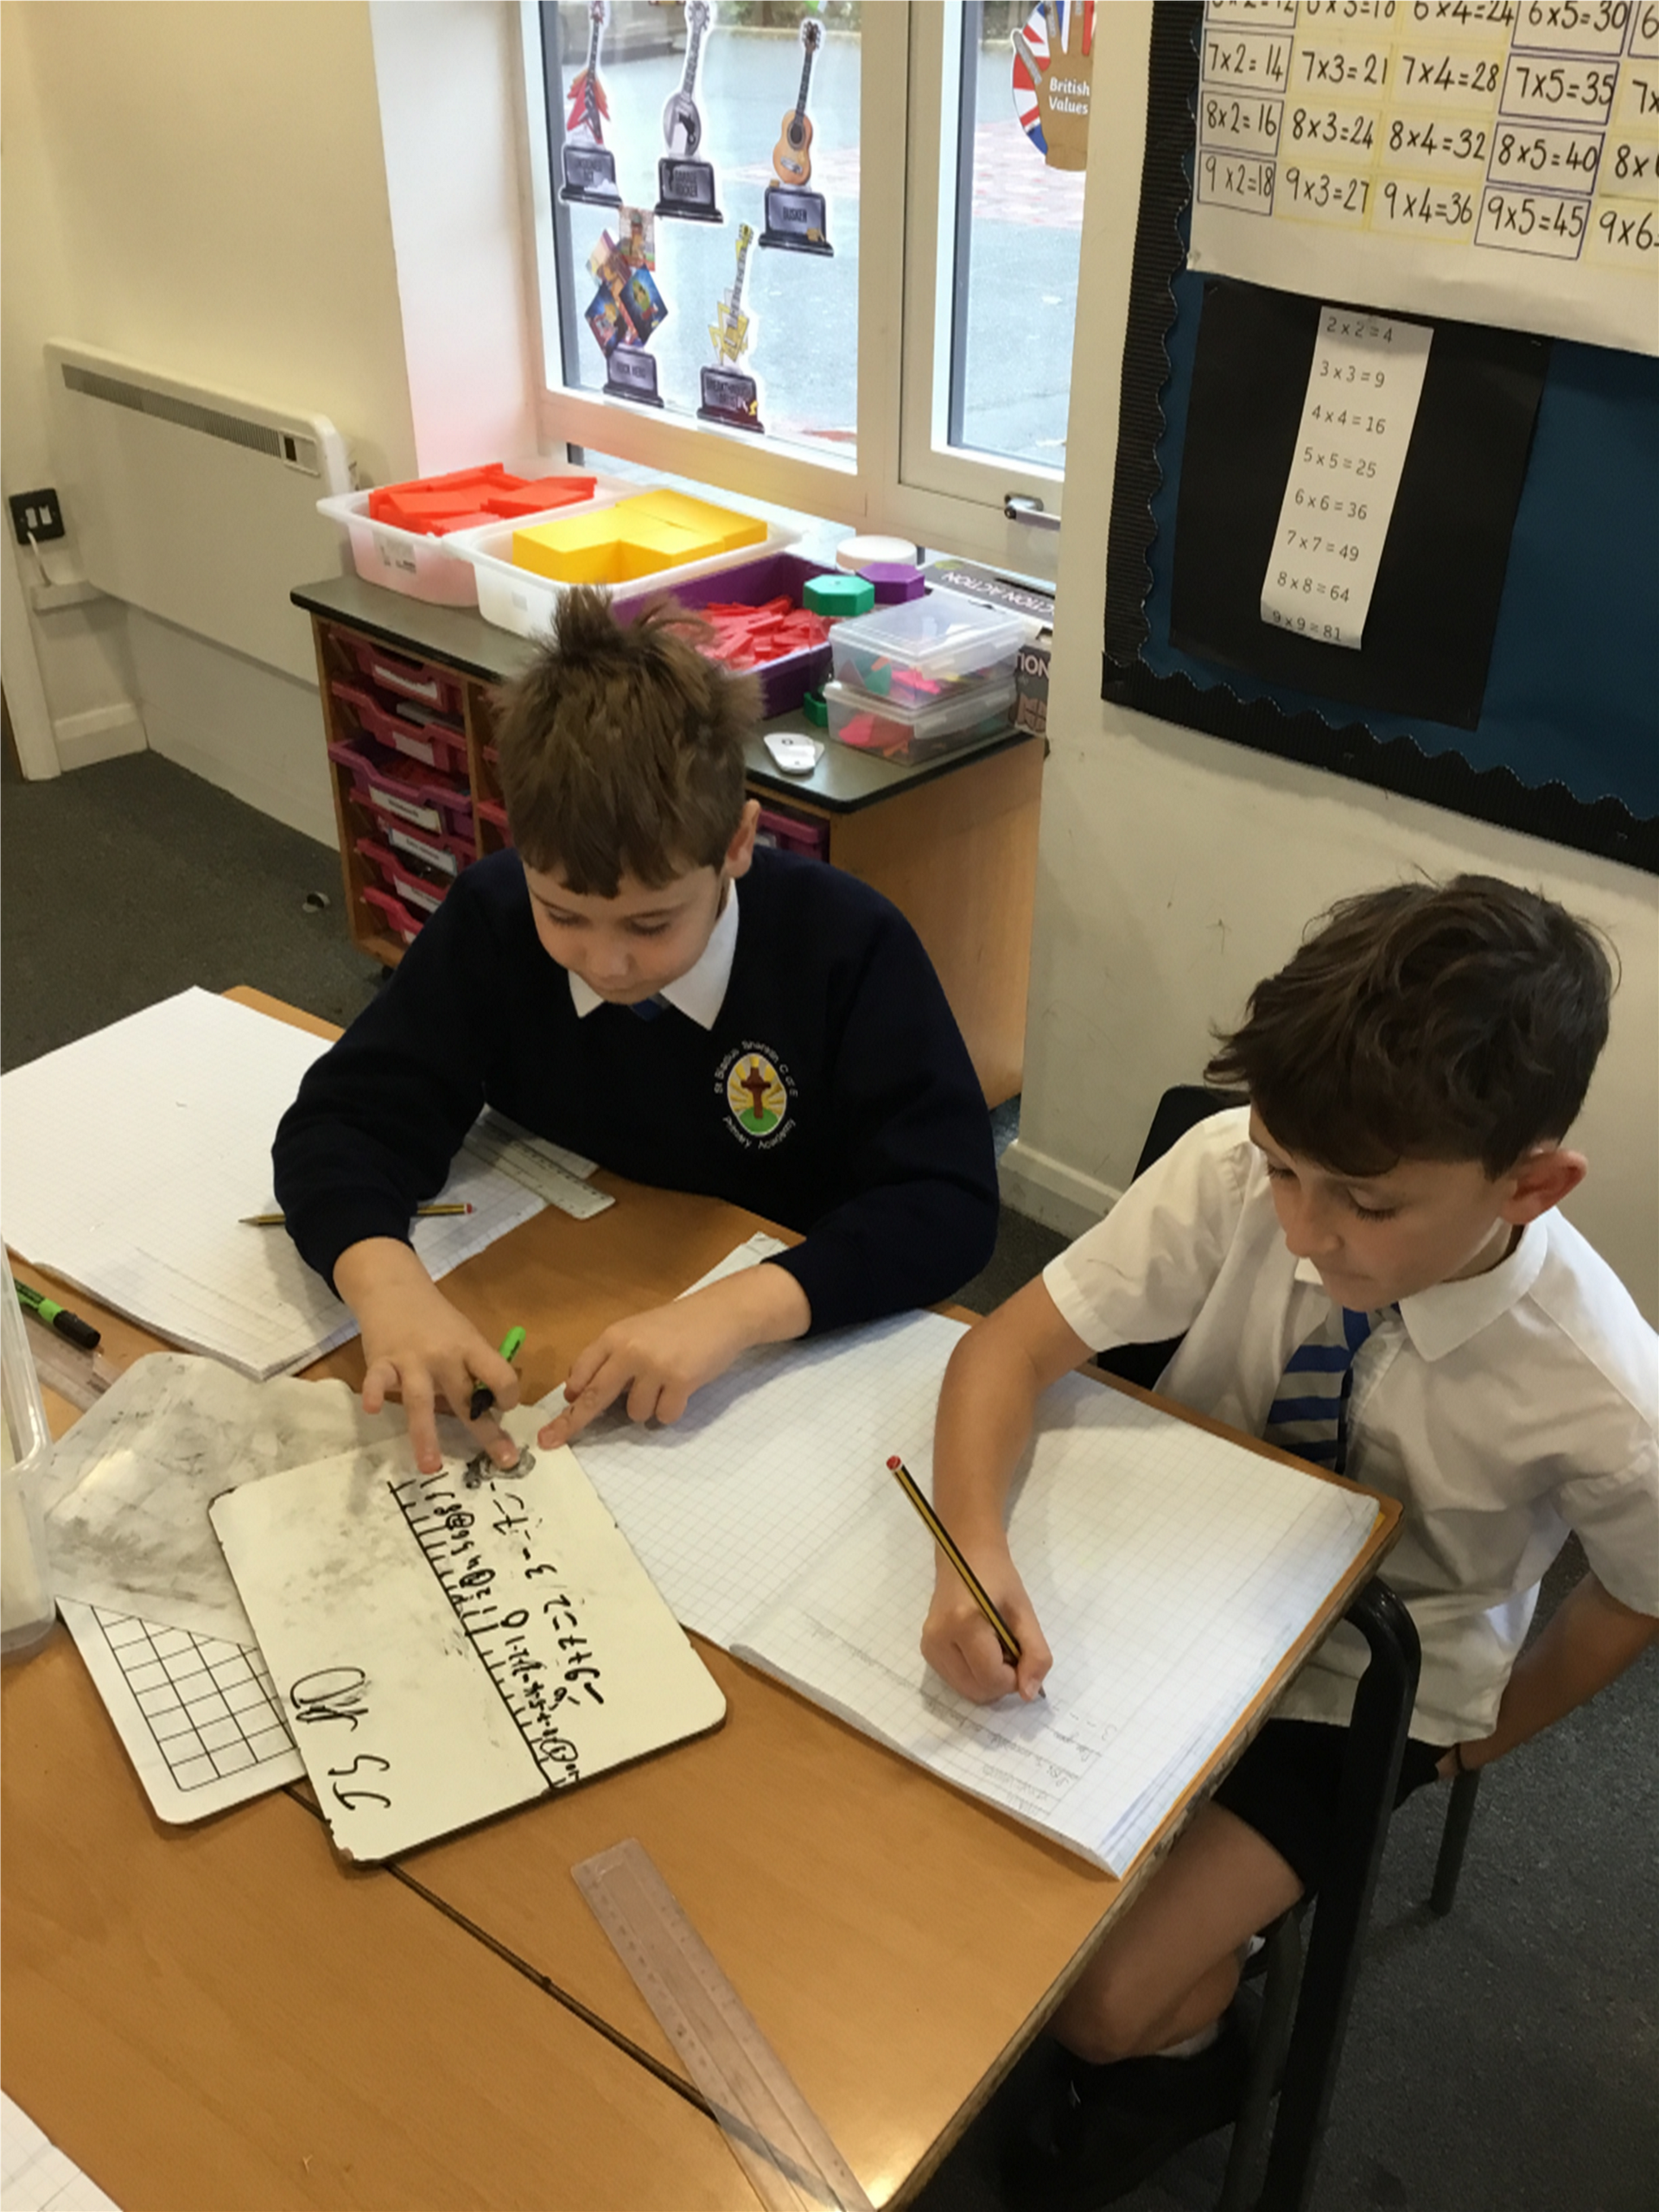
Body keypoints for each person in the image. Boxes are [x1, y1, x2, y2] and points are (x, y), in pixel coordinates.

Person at [918, 876, 1658, 2208]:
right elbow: (1009, 1345)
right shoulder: (1236, 1177)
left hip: (1380, 1671)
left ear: (1533, 1186)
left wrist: (1487, 1731)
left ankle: (1200, 2050)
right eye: (1283, 1171)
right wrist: (970, 1556)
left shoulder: (1606, 1391)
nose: (1308, 1232)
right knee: (928, 1853)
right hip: (1177, 1564)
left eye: (1368, 1206)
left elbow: (1636, 1596)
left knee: (1102, 2001)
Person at [274, 587, 997, 1476]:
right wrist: (386, 1286)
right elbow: (343, 1121)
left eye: (651, 925)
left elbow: (950, 1205)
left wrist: (738, 1309)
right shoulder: (495, 918)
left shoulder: (845, 946)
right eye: (564, 913)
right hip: (576, 1276)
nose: (604, 963)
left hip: (771, 1367)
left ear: (736, 844)